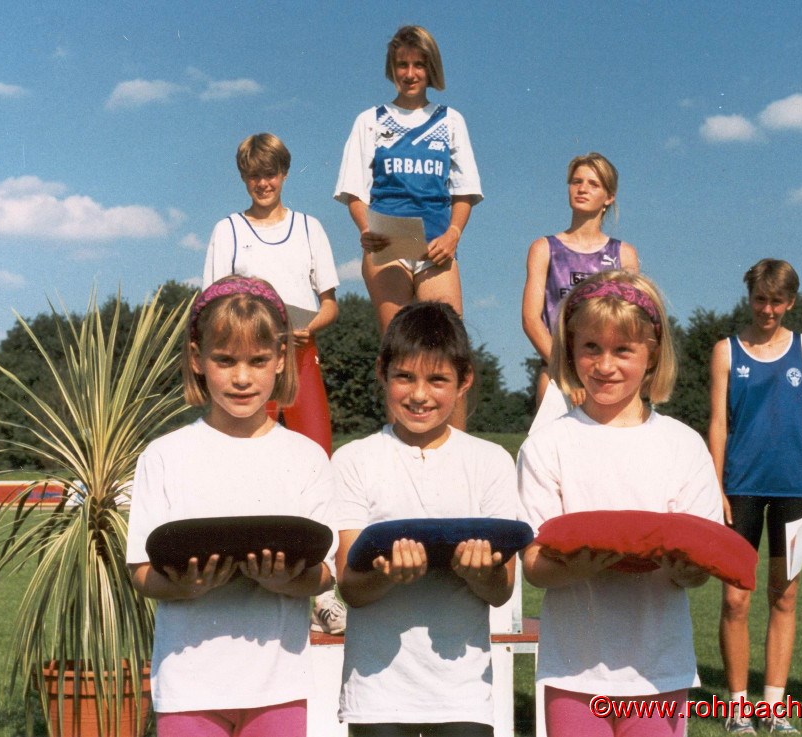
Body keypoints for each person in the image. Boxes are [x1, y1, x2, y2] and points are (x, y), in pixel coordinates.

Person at [126, 275, 336, 737]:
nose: (242, 378)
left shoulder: (306, 457)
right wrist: (185, 587)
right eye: (225, 360)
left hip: (279, 684)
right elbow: (140, 571)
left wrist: (289, 580)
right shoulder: (164, 456)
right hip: (189, 685)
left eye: (258, 361)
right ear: (197, 360)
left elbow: (325, 572)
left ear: (281, 360)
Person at [518, 270, 723, 737]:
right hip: (573, 671)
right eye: (591, 347)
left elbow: (699, 569)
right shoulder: (547, 445)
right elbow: (534, 565)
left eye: (623, 350)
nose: (605, 365)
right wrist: (598, 558)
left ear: (652, 356)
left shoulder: (683, 445)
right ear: (569, 351)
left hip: (659, 671)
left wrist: (684, 563)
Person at [332, 301, 518, 737]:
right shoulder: (353, 460)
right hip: (376, 692)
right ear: (382, 372)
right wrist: (390, 576)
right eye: (404, 377)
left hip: (464, 692)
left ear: (464, 379)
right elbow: (351, 589)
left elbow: (501, 590)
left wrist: (477, 572)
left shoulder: (490, 462)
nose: (419, 395)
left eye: (438, 380)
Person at [333, 26, 482, 425]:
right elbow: (354, 192)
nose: (410, 73)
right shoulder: (370, 120)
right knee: (399, 353)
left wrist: (452, 235)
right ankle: (397, 452)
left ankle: (458, 454)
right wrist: (368, 229)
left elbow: (464, 192)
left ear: (431, 68)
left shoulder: (450, 121)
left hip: (436, 245)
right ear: (391, 68)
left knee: (449, 353)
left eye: (419, 64)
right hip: (389, 244)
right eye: (403, 64)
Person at [707, 259, 802, 735]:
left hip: (795, 489)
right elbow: (718, 423)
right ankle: (739, 708)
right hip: (740, 489)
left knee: (785, 594)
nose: (768, 309)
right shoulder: (725, 351)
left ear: (790, 302)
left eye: (777, 301)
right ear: (749, 297)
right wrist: (714, 485)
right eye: (760, 299)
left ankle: (774, 708)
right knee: (736, 599)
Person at [204, 132, 339, 455]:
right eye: (254, 176)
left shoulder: (309, 227)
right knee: (247, 449)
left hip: (301, 353)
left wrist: (309, 329)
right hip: (250, 357)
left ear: (284, 174)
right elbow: (212, 306)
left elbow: (330, 305)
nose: (263, 183)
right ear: (243, 178)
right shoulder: (228, 230)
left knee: (316, 450)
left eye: (270, 174)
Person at [521, 152, 639, 429]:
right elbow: (530, 319)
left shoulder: (624, 255)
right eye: (576, 181)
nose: (582, 188)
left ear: (609, 196)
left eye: (593, 184)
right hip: (558, 374)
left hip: (607, 376)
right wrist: (568, 371)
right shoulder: (544, 248)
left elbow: (630, 323)